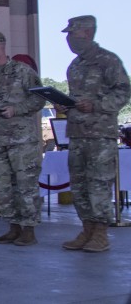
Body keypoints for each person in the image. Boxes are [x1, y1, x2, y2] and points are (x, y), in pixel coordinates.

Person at [55, 15, 130, 252]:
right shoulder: (75, 66)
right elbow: (78, 98)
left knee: (98, 184)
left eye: (72, 34)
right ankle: (86, 229)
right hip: (76, 134)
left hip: (99, 135)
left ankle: (100, 233)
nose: (68, 39)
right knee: (79, 185)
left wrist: (96, 104)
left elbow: (123, 92)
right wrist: (65, 105)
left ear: (86, 33)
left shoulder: (108, 60)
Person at [0, 31, 46, 246]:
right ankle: (13, 227)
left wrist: (17, 109)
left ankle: (29, 229)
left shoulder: (22, 71)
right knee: (3, 186)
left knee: (25, 185)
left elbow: (40, 98)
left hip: (21, 139)